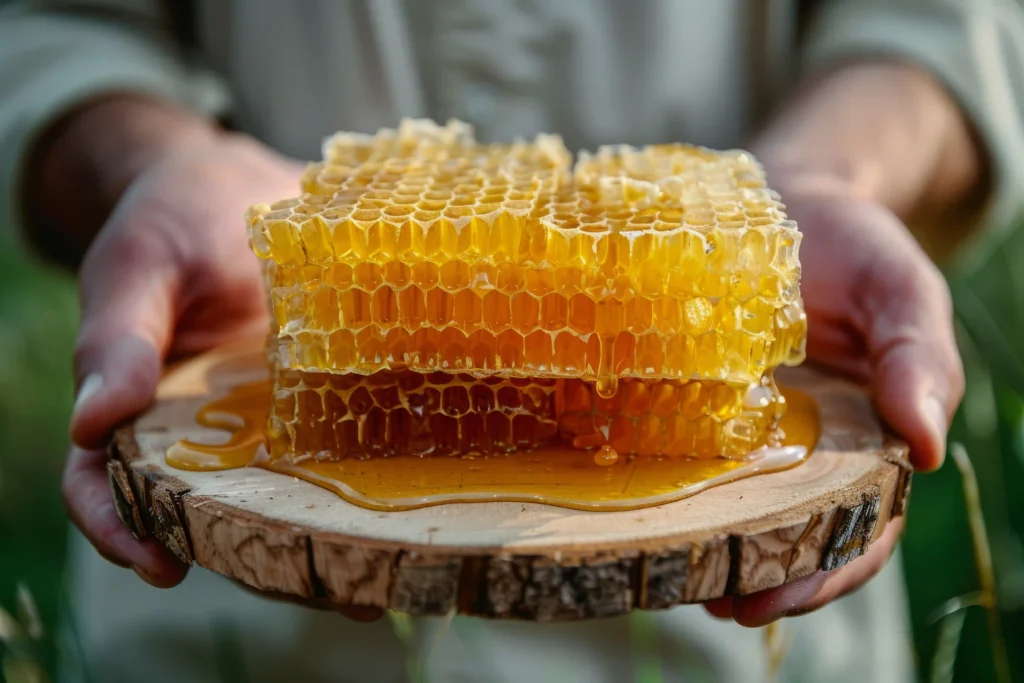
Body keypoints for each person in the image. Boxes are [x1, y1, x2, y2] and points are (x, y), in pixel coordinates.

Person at [2, 1, 1022, 681]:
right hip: (239, 638)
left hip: (734, 649)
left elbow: (946, 21)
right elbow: (52, 26)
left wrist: (836, 171)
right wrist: (151, 160)